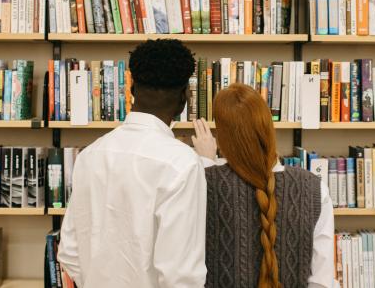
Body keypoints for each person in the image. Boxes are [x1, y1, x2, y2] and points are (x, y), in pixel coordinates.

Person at [58, 39, 207, 288]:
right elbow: (181, 275)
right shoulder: (182, 164)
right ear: (184, 99)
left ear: (131, 89)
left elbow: (69, 252)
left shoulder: (89, 155)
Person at [193, 83, 335, 288]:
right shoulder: (314, 187)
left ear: (224, 138)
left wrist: (205, 164)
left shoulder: (205, 182)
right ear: (268, 128)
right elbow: (322, 281)